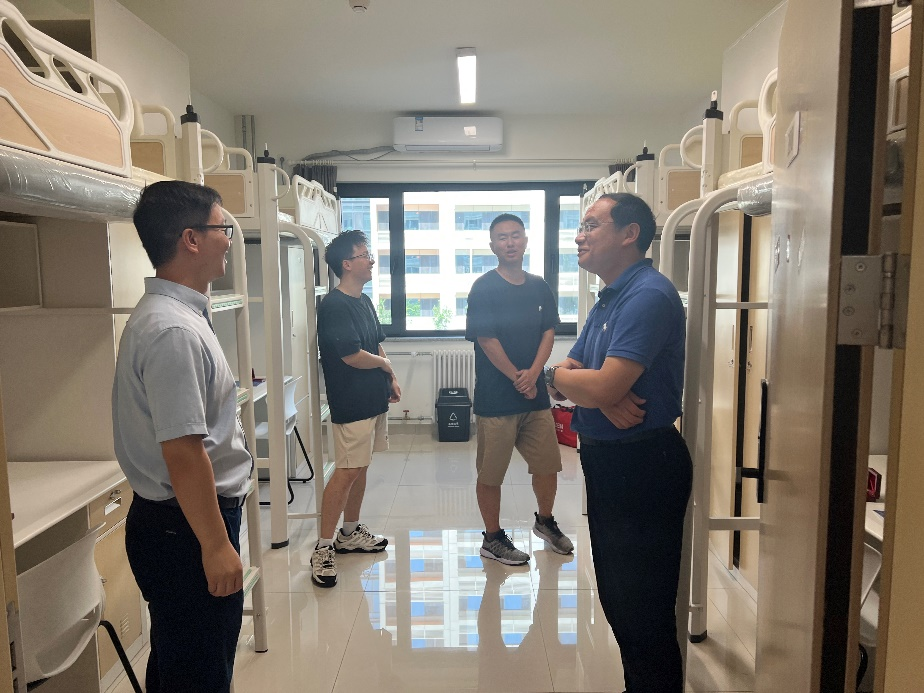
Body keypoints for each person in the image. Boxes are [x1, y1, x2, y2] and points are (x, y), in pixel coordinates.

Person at [544, 192, 692, 693]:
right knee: (620, 601)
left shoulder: (647, 296)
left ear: (630, 234)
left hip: (644, 463)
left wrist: (588, 387)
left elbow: (588, 381)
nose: (579, 236)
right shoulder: (610, 296)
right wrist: (595, 392)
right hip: (610, 460)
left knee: (642, 609)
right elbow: (574, 372)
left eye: (591, 225)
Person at [112, 181, 250, 692]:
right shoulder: (173, 331)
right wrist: (215, 545)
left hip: (181, 522)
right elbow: (184, 453)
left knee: (182, 662)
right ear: (191, 239)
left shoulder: (180, 316)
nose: (229, 238)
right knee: (198, 672)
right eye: (222, 227)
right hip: (186, 529)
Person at [465, 213, 573, 566]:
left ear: (525, 240)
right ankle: (492, 538)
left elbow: (548, 331)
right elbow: (486, 338)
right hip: (497, 399)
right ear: (492, 246)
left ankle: (545, 521)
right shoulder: (484, 287)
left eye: (515, 235)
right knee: (491, 473)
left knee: (547, 465)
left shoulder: (539, 286)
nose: (510, 242)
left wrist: (535, 373)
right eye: (502, 237)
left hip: (535, 399)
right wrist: (517, 377)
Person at [311, 229, 400, 587]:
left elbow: (375, 344)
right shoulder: (334, 306)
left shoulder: (363, 300)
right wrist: (384, 366)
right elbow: (350, 355)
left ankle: (349, 533)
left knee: (360, 467)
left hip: (372, 399)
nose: (371, 260)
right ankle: (322, 547)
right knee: (346, 472)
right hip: (351, 403)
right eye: (365, 255)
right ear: (347, 264)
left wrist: (390, 375)